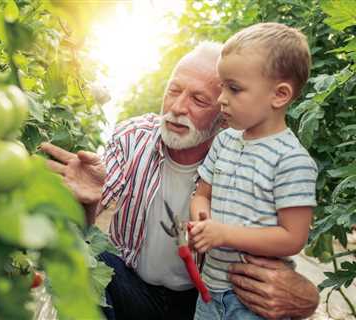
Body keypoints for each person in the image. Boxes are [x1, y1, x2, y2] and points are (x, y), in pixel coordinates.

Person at [40, 40, 320, 320]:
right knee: (85, 266)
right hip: (134, 287)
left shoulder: (243, 159)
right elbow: (84, 233)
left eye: (199, 100)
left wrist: (307, 295)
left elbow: (275, 238)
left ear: (224, 115)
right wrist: (87, 204)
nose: (177, 107)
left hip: (203, 298)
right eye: (174, 90)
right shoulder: (132, 137)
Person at [189, 23, 317, 320]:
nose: (221, 97)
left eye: (233, 88)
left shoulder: (291, 160)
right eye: (222, 85)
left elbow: (292, 238)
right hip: (210, 289)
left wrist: (223, 234)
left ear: (279, 95)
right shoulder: (224, 141)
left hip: (253, 301)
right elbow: (202, 195)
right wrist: (202, 220)